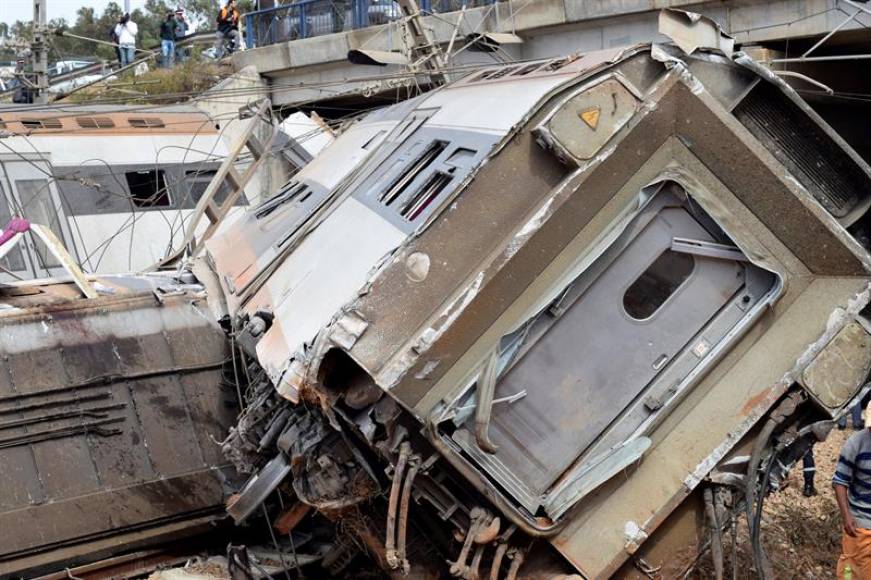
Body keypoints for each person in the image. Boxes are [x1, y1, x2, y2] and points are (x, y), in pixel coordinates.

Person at [833, 399, 871, 579]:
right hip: (861, 522)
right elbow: (840, 480)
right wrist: (846, 516)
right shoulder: (856, 443)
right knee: (850, 570)